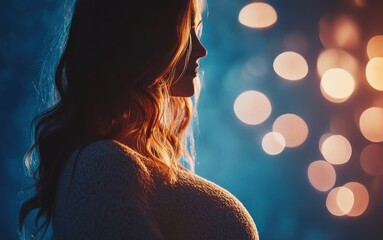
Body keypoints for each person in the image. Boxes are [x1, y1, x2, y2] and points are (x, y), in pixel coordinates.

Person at [18, 0, 259, 239]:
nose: (200, 50)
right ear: (141, 37)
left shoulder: (115, 163)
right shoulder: (101, 166)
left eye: (195, 31)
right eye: (185, 32)